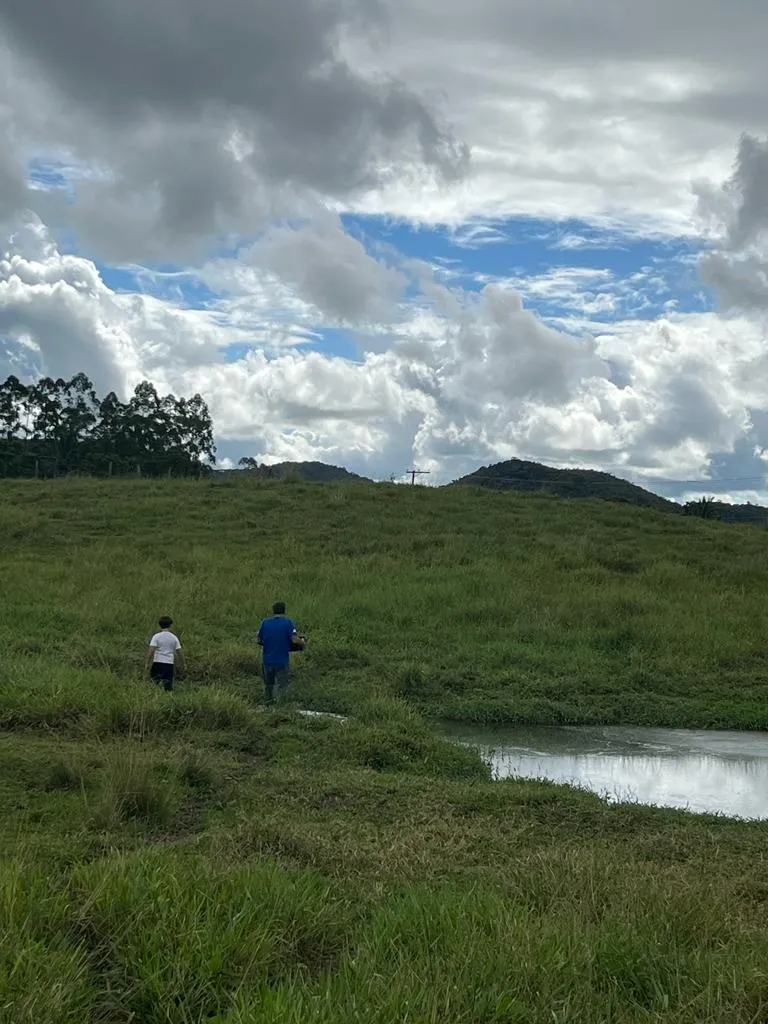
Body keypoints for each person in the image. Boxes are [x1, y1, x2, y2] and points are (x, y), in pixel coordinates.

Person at [257, 601, 304, 704]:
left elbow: (259, 639)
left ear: (273, 611)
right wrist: (302, 642)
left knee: (268, 686)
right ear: (284, 610)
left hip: (267, 660)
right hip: (282, 660)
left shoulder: (265, 622)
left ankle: (268, 705)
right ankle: (281, 708)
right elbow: (294, 639)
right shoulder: (288, 623)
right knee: (282, 686)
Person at [146, 615, 185, 692]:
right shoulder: (174, 638)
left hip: (157, 663)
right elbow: (180, 652)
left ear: (160, 625)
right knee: (168, 685)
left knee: (155, 684)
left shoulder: (156, 637)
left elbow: (151, 650)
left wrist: (147, 662)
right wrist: (183, 664)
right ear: (170, 625)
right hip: (169, 664)